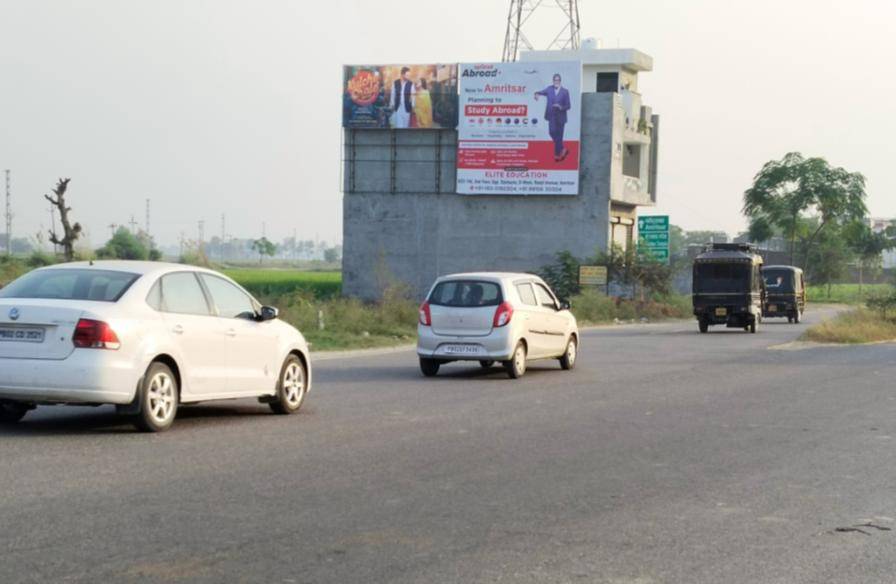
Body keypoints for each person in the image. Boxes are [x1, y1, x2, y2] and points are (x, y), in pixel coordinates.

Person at [534, 73, 571, 161]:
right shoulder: (549, 89)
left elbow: (568, 106)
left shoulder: (565, 92)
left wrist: (560, 107)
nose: (556, 81)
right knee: (552, 132)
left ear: (560, 81)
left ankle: (557, 156)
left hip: (561, 117)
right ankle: (563, 149)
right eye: (555, 80)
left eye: (558, 80)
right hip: (551, 116)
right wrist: (536, 94)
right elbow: (541, 92)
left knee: (559, 136)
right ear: (553, 81)